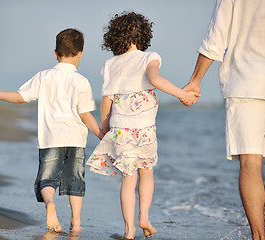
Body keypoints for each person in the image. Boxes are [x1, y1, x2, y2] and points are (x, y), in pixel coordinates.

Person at [86, 12, 199, 239]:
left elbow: (106, 101)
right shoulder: (149, 57)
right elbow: (156, 80)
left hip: (120, 130)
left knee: (128, 179)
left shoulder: (111, 65)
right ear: (144, 35)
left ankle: (129, 230)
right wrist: (182, 94)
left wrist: (106, 129)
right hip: (146, 130)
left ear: (114, 37)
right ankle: (144, 216)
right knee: (146, 173)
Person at [0, 28, 104, 232]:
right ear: (81, 54)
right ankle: (76, 222)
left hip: (50, 139)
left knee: (47, 179)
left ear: (55, 53)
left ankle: (50, 205)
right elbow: (85, 115)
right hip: (75, 140)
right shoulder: (82, 82)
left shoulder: (44, 76)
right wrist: (101, 134)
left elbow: (21, 96)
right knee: (75, 181)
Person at [182, 0, 265, 239]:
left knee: (250, 164)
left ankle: (258, 237)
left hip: (245, 80)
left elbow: (216, 38)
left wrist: (195, 80)